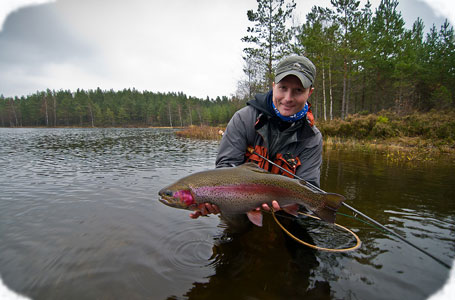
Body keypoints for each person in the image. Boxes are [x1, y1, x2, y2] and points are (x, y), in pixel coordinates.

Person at [190, 55, 322, 224]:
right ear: (273, 86)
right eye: (283, 88)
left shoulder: (312, 138)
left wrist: (292, 204)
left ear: (309, 92)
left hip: (285, 212)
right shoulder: (244, 119)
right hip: (238, 209)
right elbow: (225, 167)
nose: (288, 98)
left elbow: (309, 187)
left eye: (298, 90)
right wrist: (213, 201)